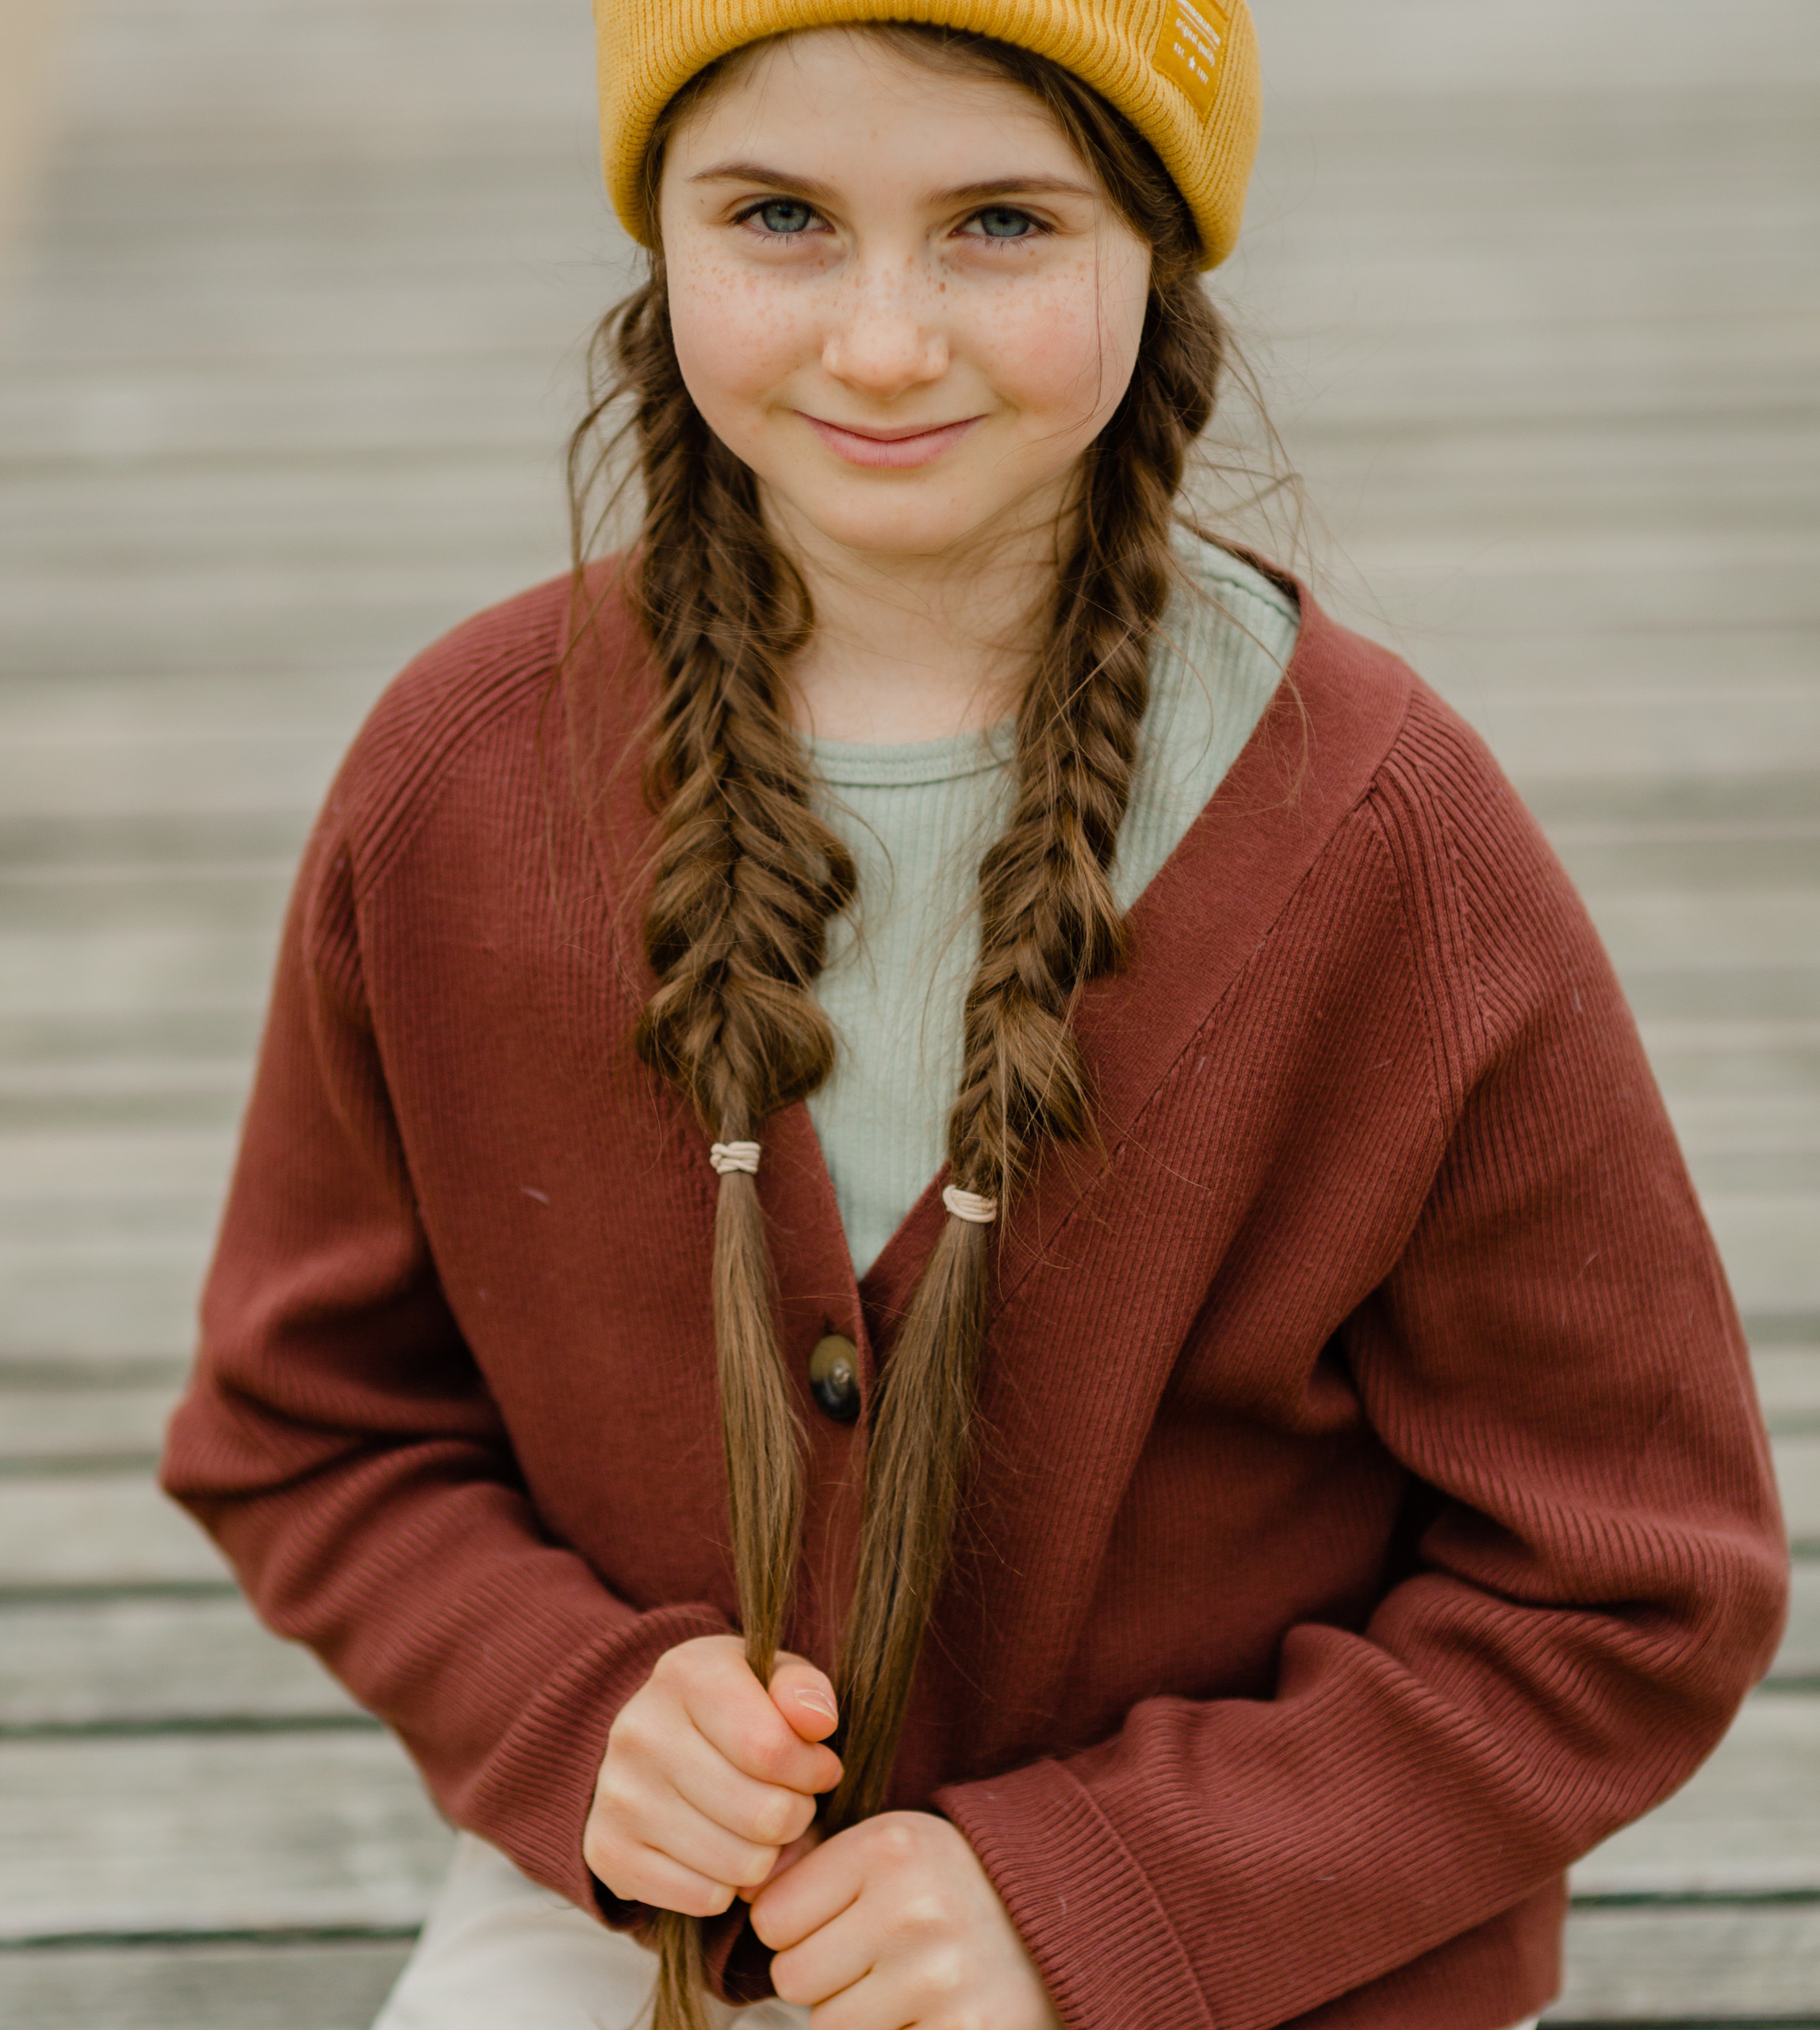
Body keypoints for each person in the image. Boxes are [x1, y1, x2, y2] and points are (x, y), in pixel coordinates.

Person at [160, 6, 1789, 2028]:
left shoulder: (1389, 853)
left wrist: (1087, 1892)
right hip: (656, 1930)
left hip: (1262, 1953)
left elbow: (1632, 1579)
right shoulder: (453, 792)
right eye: (777, 216)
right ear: (657, 233)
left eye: (999, 223)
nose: (878, 339)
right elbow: (304, 1427)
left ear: (1154, 252)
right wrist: (577, 1713)